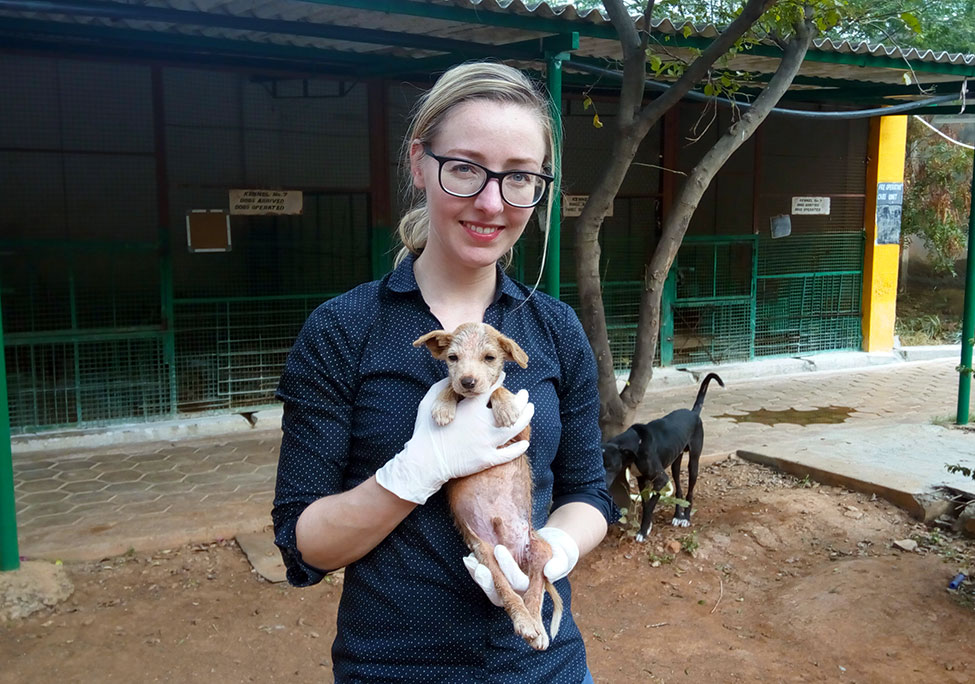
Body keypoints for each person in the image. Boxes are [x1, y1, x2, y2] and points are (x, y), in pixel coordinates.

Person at [272, 61, 617, 683]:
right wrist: (417, 469)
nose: (491, 202)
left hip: (542, 666)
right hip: (393, 667)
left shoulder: (555, 329)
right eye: (464, 168)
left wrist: (554, 549)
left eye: (520, 177)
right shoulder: (345, 329)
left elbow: (588, 493)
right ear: (419, 164)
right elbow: (306, 544)